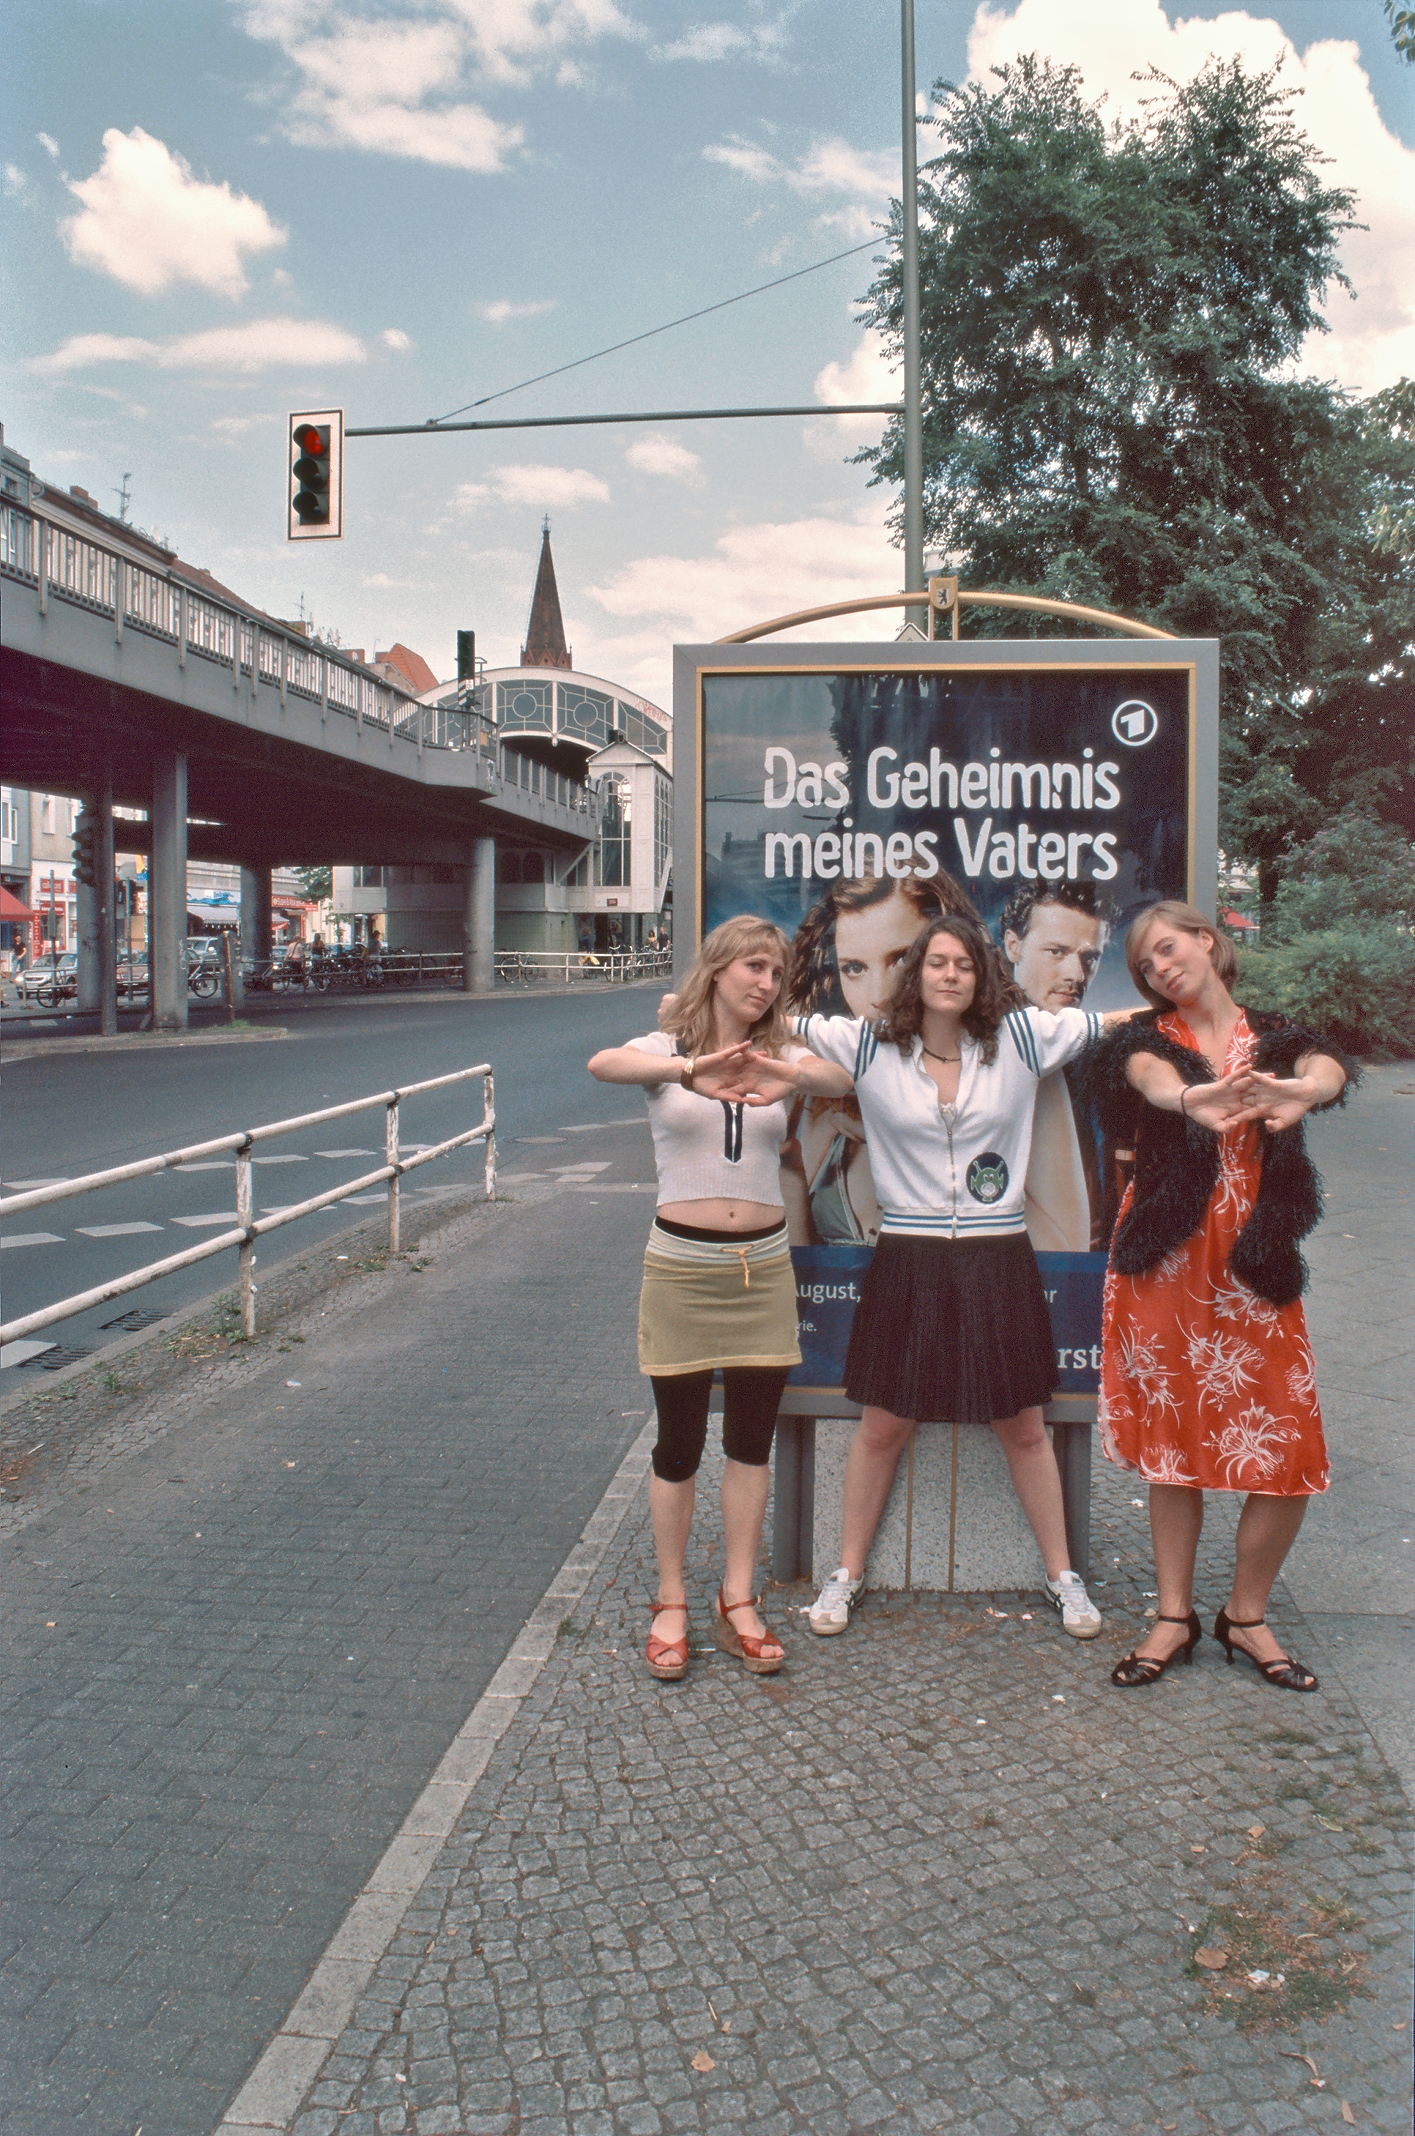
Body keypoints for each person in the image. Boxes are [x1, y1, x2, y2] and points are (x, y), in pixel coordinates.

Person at [786, 911, 1133, 1640]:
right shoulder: (869, 1045)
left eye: (962, 965)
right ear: (915, 973)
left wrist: (1195, 1002)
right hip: (906, 1255)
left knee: (1024, 1427)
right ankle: (844, 1573)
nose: (949, 975)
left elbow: (1113, 1021)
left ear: (982, 976)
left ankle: (1062, 1575)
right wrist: (682, 1017)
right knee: (882, 1425)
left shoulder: (1022, 1037)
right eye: (936, 963)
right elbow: (776, 1022)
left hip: (996, 1254)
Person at [1079, 901, 1350, 1691]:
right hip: (1166, 1259)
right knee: (1174, 1445)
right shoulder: (1142, 1038)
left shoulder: (1275, 1033)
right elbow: (1146, 1078)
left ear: (1205, 940)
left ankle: (1245, 1614)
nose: (1161, 968)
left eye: (1168, 949)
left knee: (1289, 1445)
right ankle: (1172, 1616)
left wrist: (1302, 1090)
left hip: (1253, 1259)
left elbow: (1328, 1066)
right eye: (1146, 965)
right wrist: (1186, 1099)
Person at [587, 915, 851, 1681]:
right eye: (753, 967)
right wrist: (685, 1069)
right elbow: (601, 1065)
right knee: (677, 1445)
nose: (765, 982)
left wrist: (790, 1074)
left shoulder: (780, 1052)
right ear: (718, 968)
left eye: (775, 971)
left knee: (749, 1440)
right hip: (680, 1267)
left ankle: (738, 1597)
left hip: (762, 1268)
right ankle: (670, 1597)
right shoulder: (663, 1048)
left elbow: (842, 1080)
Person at [783, 872, 978, 1245]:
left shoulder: (995, 1061)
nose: (878, 996)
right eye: (854, 968)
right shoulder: (818, 1092)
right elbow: (801, 1259)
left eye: (902, 958)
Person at [999, 884, 1115, 1251]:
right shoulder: (980, 1041)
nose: (1076, 975)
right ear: (1013, 945)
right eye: (1057, 952)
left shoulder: (1098, 1054)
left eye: (1089, 958)